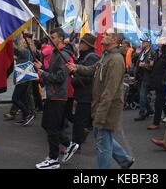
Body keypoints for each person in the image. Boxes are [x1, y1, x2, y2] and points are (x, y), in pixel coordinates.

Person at [67, 29, 134, 169]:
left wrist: (101, 114)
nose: (103, 35)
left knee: (103, 145)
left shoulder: (115, 60)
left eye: (108, 35)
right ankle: (125, 160)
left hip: (108, 108)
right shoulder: (106, 56)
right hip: (100, 106)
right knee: (102, 137)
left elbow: (110, 91)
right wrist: (77, 67)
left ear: (115, 40)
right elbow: (93, 69)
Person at [34, 28, 79, 170]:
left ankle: (53, 159)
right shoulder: (56, 54)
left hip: (58, 96)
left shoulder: (62, 54)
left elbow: (60, 77)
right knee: (46, 125)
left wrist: (44, 74)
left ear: (60, 39)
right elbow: (54, 73)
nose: (50, 40)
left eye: (52, 37)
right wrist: (43, 69)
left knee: (51, 127)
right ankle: (68, 144)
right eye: (50, 37)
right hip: (53, 95)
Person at [70, 33, 100, 148]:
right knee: (81, 120)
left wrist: (74, 78)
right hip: (82, 93)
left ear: (88, 45)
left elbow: (87, 77)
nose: (80, 44)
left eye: (82, 42)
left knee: (79, 121)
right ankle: (81, 136)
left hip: (86, 94)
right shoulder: (84, 56)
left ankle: (76, 144)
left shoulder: (91, 57)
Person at [11, 34, 37, 126]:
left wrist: (10, 37)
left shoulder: (24, 51)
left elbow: (15, 49)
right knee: (23, 98)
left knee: (15, 98)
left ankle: (28, 113)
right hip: (26, 78)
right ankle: (25, 117)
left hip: (23, 79)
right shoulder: (30, 51)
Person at [147, 37, 166, 130]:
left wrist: (163, 80)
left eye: (162, 43)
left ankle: (156, 122)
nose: (160, 45)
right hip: (157, 81)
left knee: (159, 102)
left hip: (163, 82)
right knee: (163, 103)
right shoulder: (157, 53)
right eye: (159, 43)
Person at [133, 38, 155, 121]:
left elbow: (152, 66)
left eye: (144, 42)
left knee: (142, 96)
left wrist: (144, 65)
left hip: (147, 77)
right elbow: (134, 61)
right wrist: (136, 53)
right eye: (142, 42)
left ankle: (142, 113)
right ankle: (149, 110)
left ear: (149, 43)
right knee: (142, 95)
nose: (142, 43)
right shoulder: (142, 51)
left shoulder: (152, 52)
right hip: (140, 76)